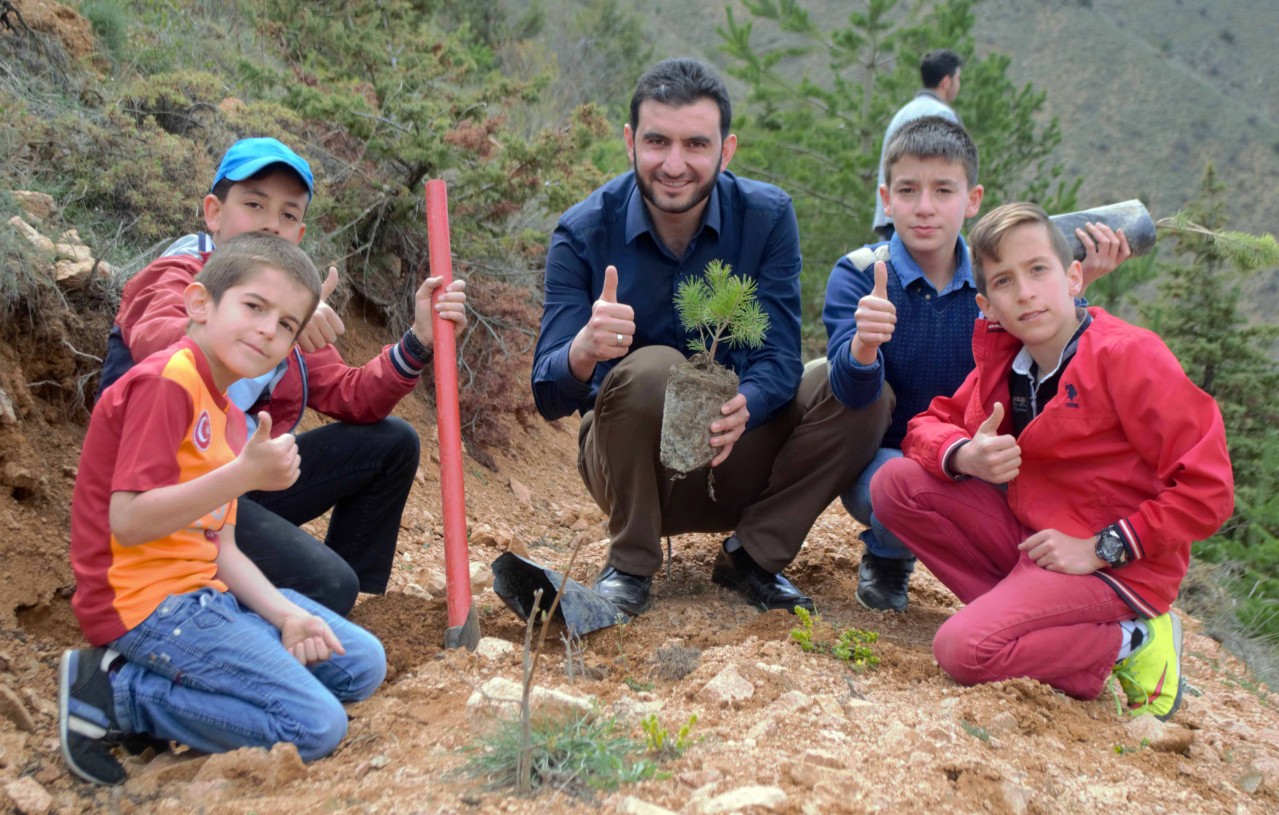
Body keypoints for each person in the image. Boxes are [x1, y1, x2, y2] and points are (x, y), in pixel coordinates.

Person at [531, 58, 892, 617]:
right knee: (653, 366)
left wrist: (747, 404)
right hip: (630, 472)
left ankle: (752, 556)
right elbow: (546, 394)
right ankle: (629, 563)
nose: (674, 164)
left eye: (695, 144)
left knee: (860, 389)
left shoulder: (767, 217)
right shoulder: (583, 232)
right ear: (630, 141)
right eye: (657, 142)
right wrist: (583, 350)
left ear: (726, 150)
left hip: (739, 457)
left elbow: (778, 355)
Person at [869, 202, 1234, 719]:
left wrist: (1100, 548)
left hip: (1117, 566)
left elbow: (1210, 489)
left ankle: (1130, 639)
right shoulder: (1009, 362)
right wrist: (966, 455)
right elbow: (927, 426)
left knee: (963, 650)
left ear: (1074, 276)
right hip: (1040, 545)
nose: (1025, 292)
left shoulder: (1128, 355)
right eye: (1003, 281)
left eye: (1038, 269)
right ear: (987, 304)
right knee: (896, 485)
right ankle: (1035, 622)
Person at [61, 233, 388, 786]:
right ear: (200, 304)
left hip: (206, 598)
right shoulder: (168, 382)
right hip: (145, 605)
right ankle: (118, 692)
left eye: (287, 324)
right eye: (254, 306)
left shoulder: (234, 418)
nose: (268, 329)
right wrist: (242, 476)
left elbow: (223, 549)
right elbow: (130, 520)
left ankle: (207, 677)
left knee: (362, 662)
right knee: (317, 727)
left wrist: (285, 615)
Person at [96, 137, 467, 616]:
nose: (272, 223)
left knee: (392, 442)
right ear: (214, 212)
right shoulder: (177, 275)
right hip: (164, 496)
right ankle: (231, 619)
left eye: (288, 215)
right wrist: (273, 323)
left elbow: (355, 397)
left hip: (237, 483)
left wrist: (417, 340)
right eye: (254, 204)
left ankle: (355, 610)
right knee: (328, 584)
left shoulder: (286, 301)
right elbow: (165, 350)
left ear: (300, 232)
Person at [823, 116, 1129, 612]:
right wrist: (863, 345)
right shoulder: (861, 274)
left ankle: (1048, 598)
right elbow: (851, 399)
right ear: (886, 199)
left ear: (973, 199)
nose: (925, 208)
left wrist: (1073, 290)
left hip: (976, 452)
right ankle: (887, 555)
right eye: (908, 190)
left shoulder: (999, 283)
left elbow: (1039, 361)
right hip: (884, 458)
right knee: (889, 485)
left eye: (944, 190)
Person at [873, 49, 964, 241]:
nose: (958, 85)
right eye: (958, 79)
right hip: (921, 225)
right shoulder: (942, 116)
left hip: (894, 216)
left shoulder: (903, 113)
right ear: (946, 82)